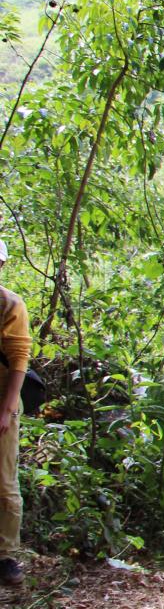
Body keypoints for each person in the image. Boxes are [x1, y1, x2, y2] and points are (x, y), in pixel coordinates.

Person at [0, 238, 31, 588]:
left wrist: (7, 409)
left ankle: (5, 555)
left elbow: (18, 358)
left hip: (3, 394)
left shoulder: (8, 304)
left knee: (4, 481)